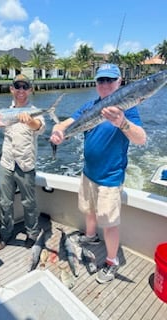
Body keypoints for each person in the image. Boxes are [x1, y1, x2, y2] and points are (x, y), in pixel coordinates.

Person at [50, 63, 147, 283]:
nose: (104, 85)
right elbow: (69, 123)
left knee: (110, 223)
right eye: (101, 80)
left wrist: (122, 123)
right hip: (88, 173)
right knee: (89, 211)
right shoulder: (89, 106)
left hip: (110, 179)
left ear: (119, 82)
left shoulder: (128, 107)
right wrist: (58, 131)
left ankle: (112, 262)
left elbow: (141, 139)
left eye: (109, 80)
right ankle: (91, 238)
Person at [0, 74, 46, 250]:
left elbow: (39, 126)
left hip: (26, 164)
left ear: (30, 90)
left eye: (25, 87)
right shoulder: (4, 113)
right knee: (5, 203)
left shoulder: (35, 110)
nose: (21, 90)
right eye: (18, 86)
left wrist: (30, 121)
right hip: (7, 163)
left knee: (29, 203)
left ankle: (32, 233)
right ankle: (5, 233)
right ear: (12, 89)